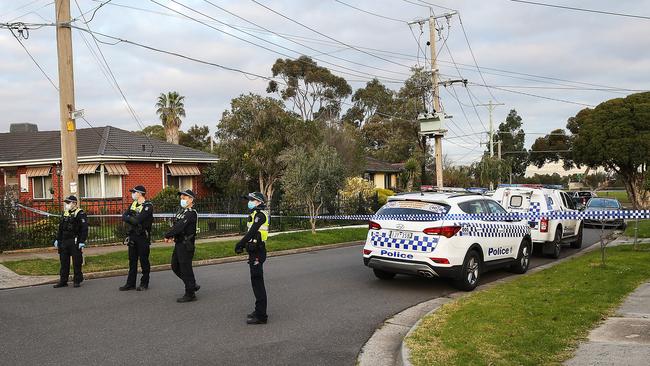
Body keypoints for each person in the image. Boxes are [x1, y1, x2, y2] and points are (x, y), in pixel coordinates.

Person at [235, 192, 269, 325]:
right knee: (255, 282)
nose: (249, 202)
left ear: (259, 202)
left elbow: (252, 232)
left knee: (258, 282)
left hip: (258, 252)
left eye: (251, 200)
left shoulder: (260, 215)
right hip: (253, 251)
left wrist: (240, 244)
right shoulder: (255, 214)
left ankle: (261, 316)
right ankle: (258, 310)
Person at [164, 189, 200, 303]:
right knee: (175, 266)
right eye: (181, 198)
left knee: (185, 268)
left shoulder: (191, 213)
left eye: (184, 198)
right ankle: (192, 284)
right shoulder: (182, 212)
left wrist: (168, 235)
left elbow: (180, 226)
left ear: (191, 199)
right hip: (179, 243)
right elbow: (177, 226)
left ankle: (190, 293)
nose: (182, 200)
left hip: (186, 245)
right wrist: (173, 237)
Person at [119, 185, 154, 292]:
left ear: (139, 193)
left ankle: (144, 283)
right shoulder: (133, 204)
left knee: (144, 260)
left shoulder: (148, 206)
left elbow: (137, 220)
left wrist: (130, 218)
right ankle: (130, 284)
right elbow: (124, 216)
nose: (132, 194)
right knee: (132, 261)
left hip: (143, 236)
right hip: (133, 235)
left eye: (134, 192)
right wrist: (130, 218)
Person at [53, 195, 88, 288]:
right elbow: (60, 228)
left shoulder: (80, 213)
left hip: (74, 241)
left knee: (77, 262)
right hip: (64, 241)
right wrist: (57, 239)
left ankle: (77, 280)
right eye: (66, 203)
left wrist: (82, 241)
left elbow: (84, 229)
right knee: (64, 262)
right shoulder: (65, 213)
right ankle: (63, 281)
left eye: (68, 203)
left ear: (74, 203)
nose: (67, 205)